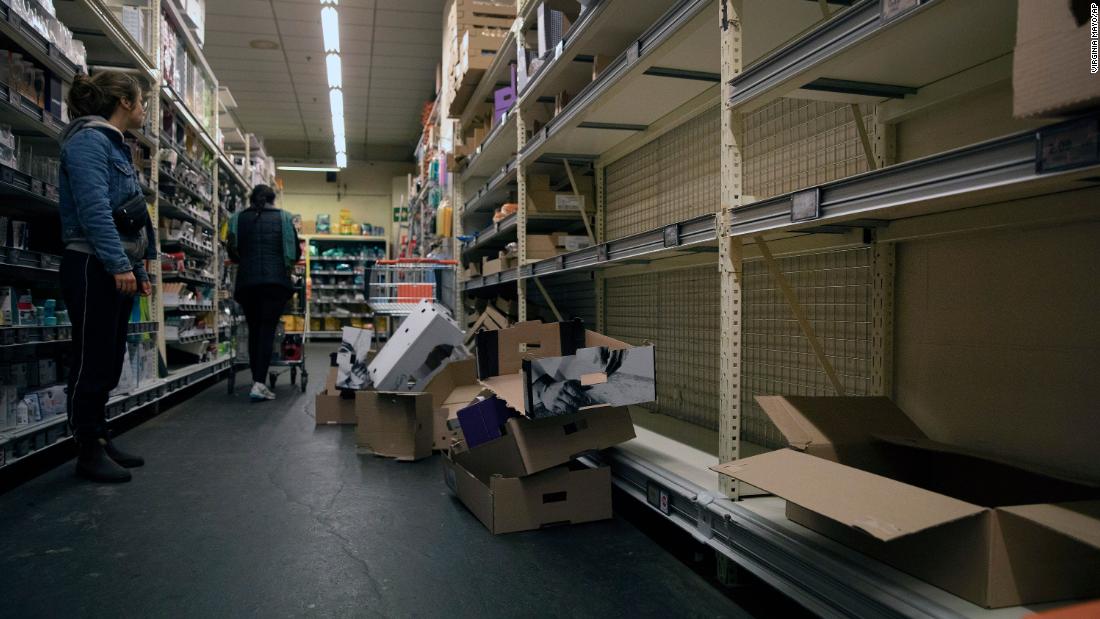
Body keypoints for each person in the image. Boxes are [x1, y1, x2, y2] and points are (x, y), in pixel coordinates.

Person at [59, 71, 157, 483]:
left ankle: (100, 436)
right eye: (142, 101)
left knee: (111, 356)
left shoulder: (117, 146)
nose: (145, 108)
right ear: (124, 101)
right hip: (91, 264)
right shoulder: (88, 142)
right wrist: (119, 264)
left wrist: (137, 267)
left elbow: (129, 214)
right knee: (92, 358)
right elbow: (95, 211)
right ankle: (86, 449)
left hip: (116, 265)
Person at [227, 185, 301, 401]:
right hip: (275, 284)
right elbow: (295, 252)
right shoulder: (285, 219)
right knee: (267, 331)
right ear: (272, 199)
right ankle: (259, 383)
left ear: (251, 199)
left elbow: (233, 251)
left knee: (254, 330)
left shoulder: (237, 219)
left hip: (247, 283)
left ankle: (256, 381)